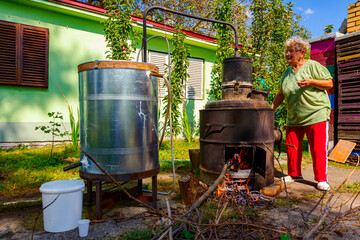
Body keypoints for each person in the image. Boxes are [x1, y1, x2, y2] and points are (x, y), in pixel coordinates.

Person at [271, 36, 333, 191]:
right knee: (292, 146)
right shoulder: (286, 73)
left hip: (315, 112)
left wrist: (311, 81)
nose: (287, 54)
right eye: (286, 51)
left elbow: (329, 83)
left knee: (318, 148)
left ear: (301, 52)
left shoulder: (313, 66)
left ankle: (321, 179)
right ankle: (294, 174)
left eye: (291, 51)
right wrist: (269, 110)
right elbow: (280, 95)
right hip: (294, 116)